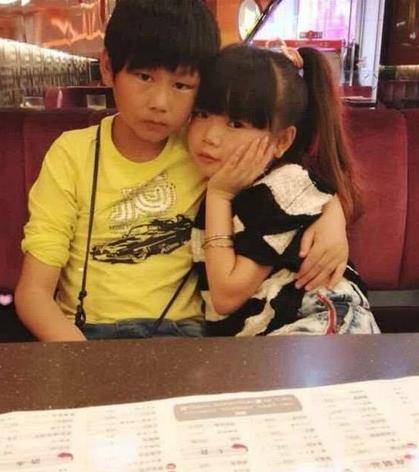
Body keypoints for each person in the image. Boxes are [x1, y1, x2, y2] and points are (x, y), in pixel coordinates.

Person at [15, 1, 348, 342]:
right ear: (108, 67)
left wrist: (331, 219)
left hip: (183, 337)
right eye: (144, 77)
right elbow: (33, 293)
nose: (160, 102)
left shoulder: (204, 148)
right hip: (85, 335)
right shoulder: (73, 155)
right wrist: (85, 359)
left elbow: (289, 184)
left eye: (182, 85)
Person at [188, 44, 380, 336]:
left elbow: (226, 296)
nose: (210, 136)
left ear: (281, 141)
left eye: (235, 123)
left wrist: (219, 196)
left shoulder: (281, 188)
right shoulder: (221, 177)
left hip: (323, 323)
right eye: (201, 114)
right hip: (276, 337)